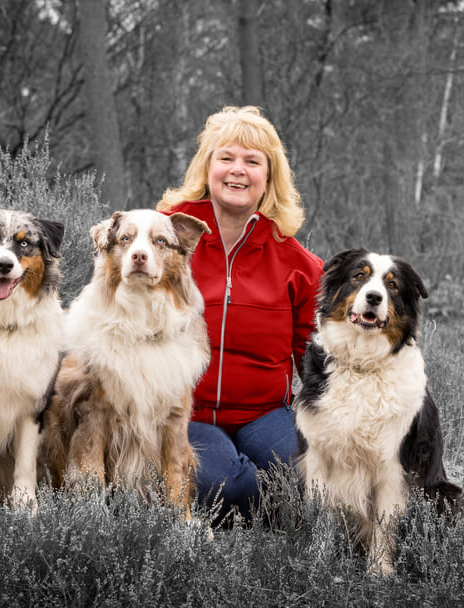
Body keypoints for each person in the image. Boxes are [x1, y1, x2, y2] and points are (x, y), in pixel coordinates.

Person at [157, 106, 322, 522]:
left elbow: (318, 358)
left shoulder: (298, 263)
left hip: (266, 415)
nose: (237, 171)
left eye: (252, 161)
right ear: (206, 167)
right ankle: (258, 501)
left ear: (269, 176)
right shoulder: (162, 237)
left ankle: (273, 500)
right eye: (225, 157)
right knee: (220, 484)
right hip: (186, 413)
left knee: (311, 475)